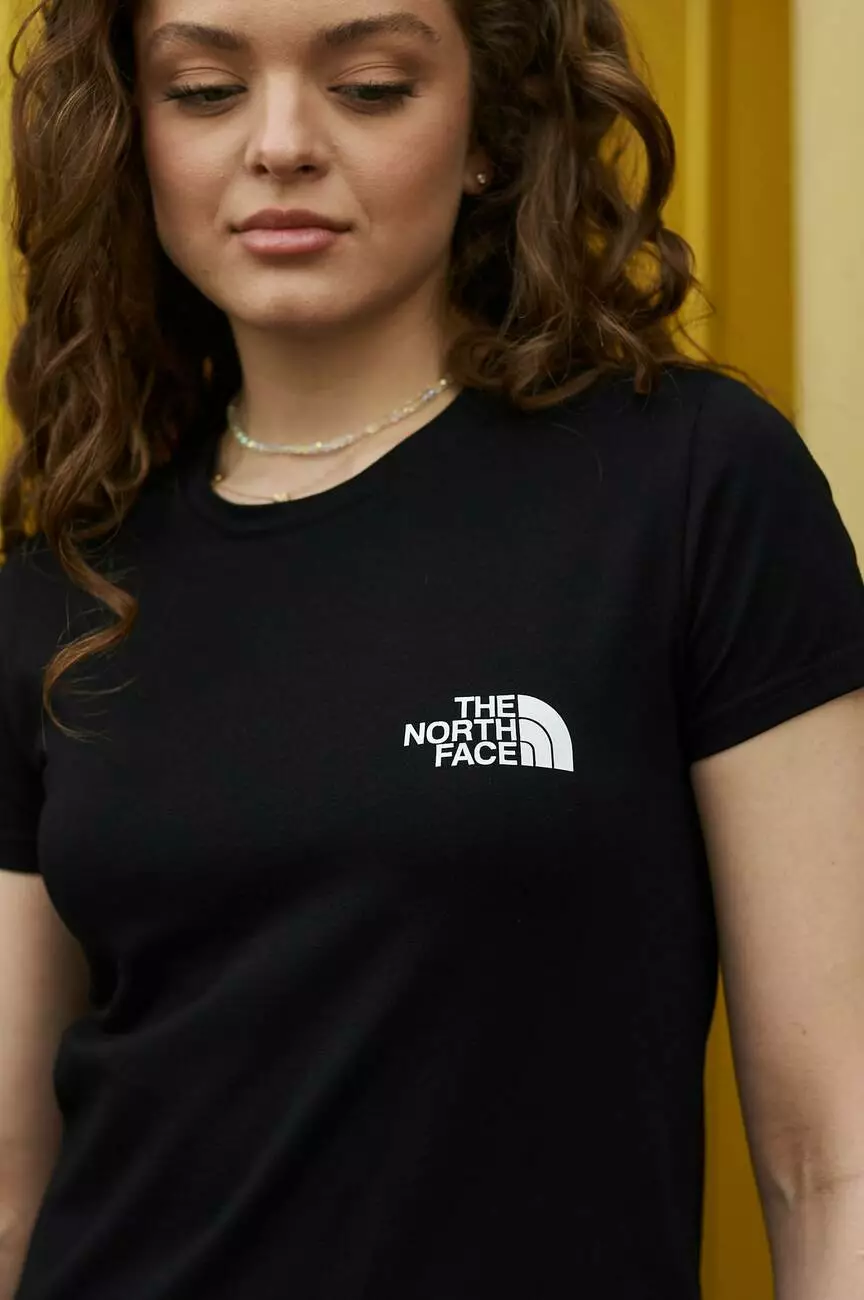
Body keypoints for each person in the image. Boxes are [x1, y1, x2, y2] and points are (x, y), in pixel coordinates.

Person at [1, 0, 863, 1297]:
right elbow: (9, 1192)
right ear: (136, 136)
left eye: (369, 85)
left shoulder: (691, 488)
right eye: (205, 90)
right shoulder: (62, 577)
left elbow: (832, 1156)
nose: (280, 143)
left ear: (487, 128)